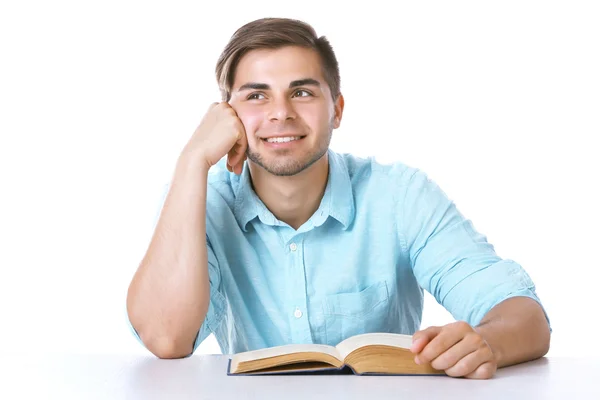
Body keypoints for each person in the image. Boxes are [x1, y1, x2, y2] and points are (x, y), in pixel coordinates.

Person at [126, 17, 551, 379]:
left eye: (302, 92)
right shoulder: (200, 198)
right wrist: (192, 161)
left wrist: (487, 344)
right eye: (257, 95)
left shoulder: (399, 195)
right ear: (226, 115)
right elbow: (166, 338)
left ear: (338, 110)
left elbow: (525, 317)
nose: (281, 113)